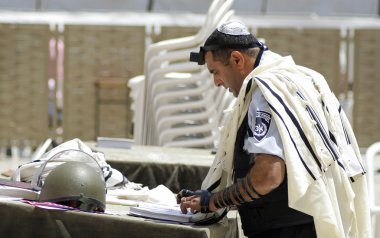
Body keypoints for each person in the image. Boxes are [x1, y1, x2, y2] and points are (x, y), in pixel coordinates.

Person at [178, 20, 371, 238]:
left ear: (236, 59)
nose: (216, 82)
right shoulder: (302, 77)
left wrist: (214, 201)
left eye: (215, 72)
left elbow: (268, 176)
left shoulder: (266, 93)